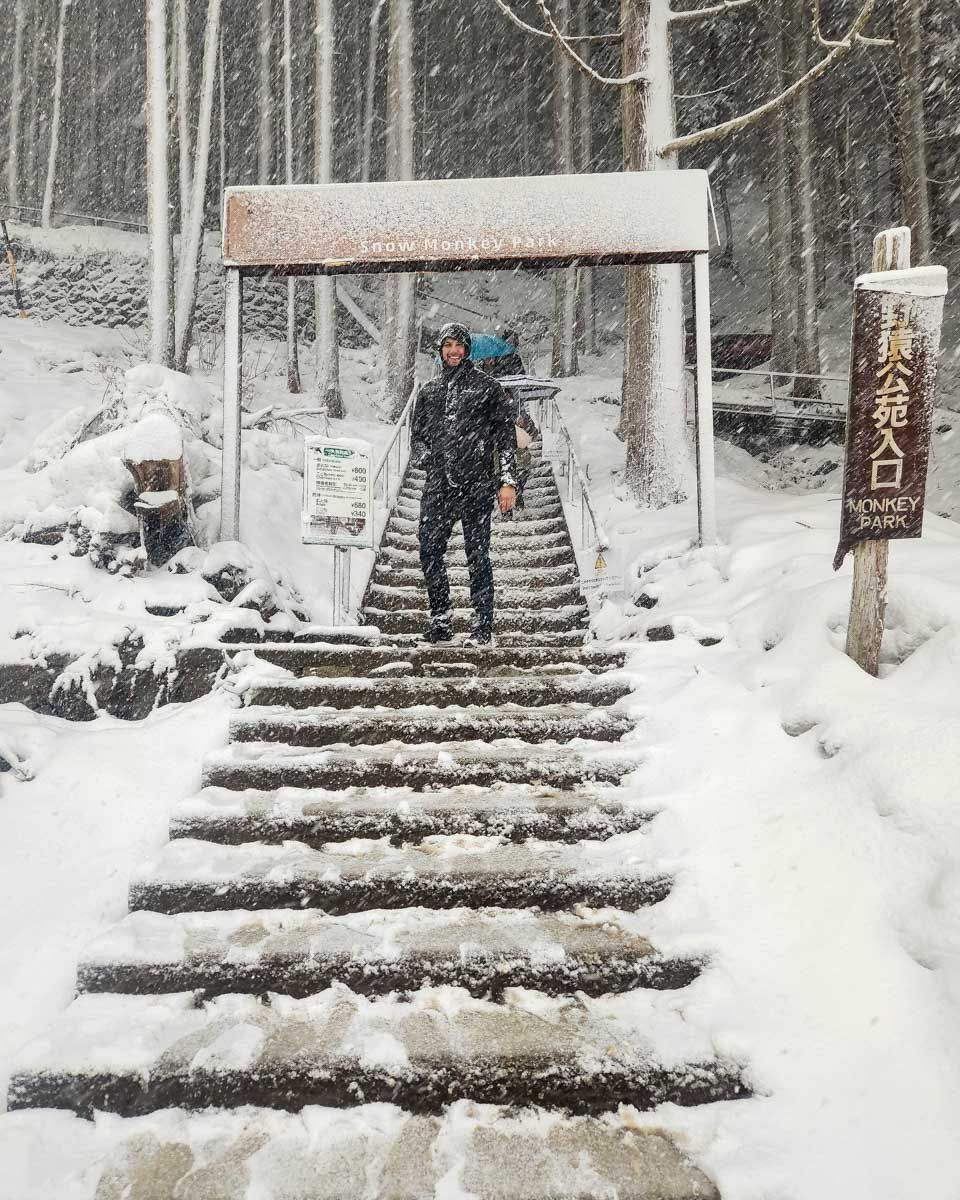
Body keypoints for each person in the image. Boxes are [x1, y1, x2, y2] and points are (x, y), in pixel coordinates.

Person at [410, 322, 517, 646]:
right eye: (448, 345)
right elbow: (417, 438)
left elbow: (506, 438)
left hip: (476, 485)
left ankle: (482, 625)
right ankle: (441, 621)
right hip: (438, 486)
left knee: (478, 556)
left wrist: (507, 482)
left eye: (459, 345)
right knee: (429, 552)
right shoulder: (429, 391)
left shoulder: (488, 388)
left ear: (467, 349)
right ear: (440, 350)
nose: (453, 351)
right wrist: (426, 458)